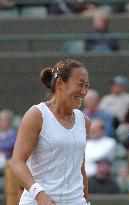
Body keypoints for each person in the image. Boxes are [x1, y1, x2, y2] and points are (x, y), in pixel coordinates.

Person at [11, 59, 91, 205]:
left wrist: (86, 201)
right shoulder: (36, 115)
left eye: (87, 86)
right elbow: (17, 162)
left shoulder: (84, 121)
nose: (84, 92)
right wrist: (40, 195)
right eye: (80, 85)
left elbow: (81, 170)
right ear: (60, 84)